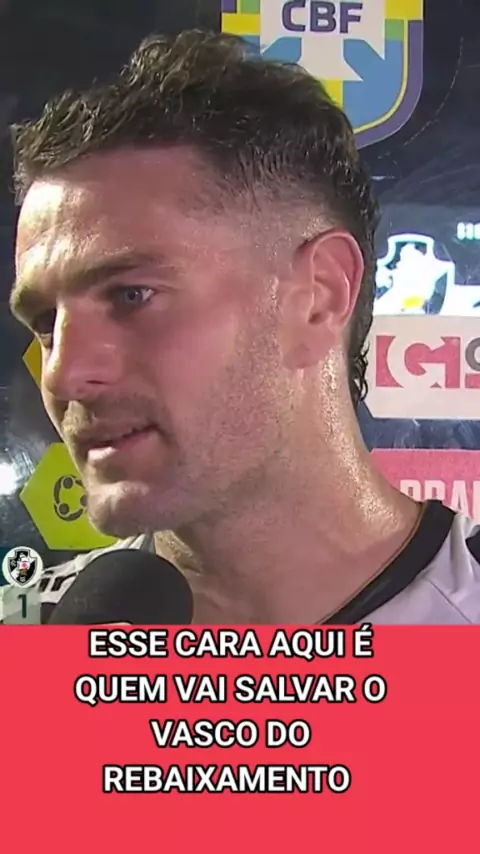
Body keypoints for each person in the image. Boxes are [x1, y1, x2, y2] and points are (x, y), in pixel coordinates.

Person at [10, 30, 480, 624]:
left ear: (319, 297)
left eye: (132, 296)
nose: (63, 374)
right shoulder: (28, 638)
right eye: (45, 322)